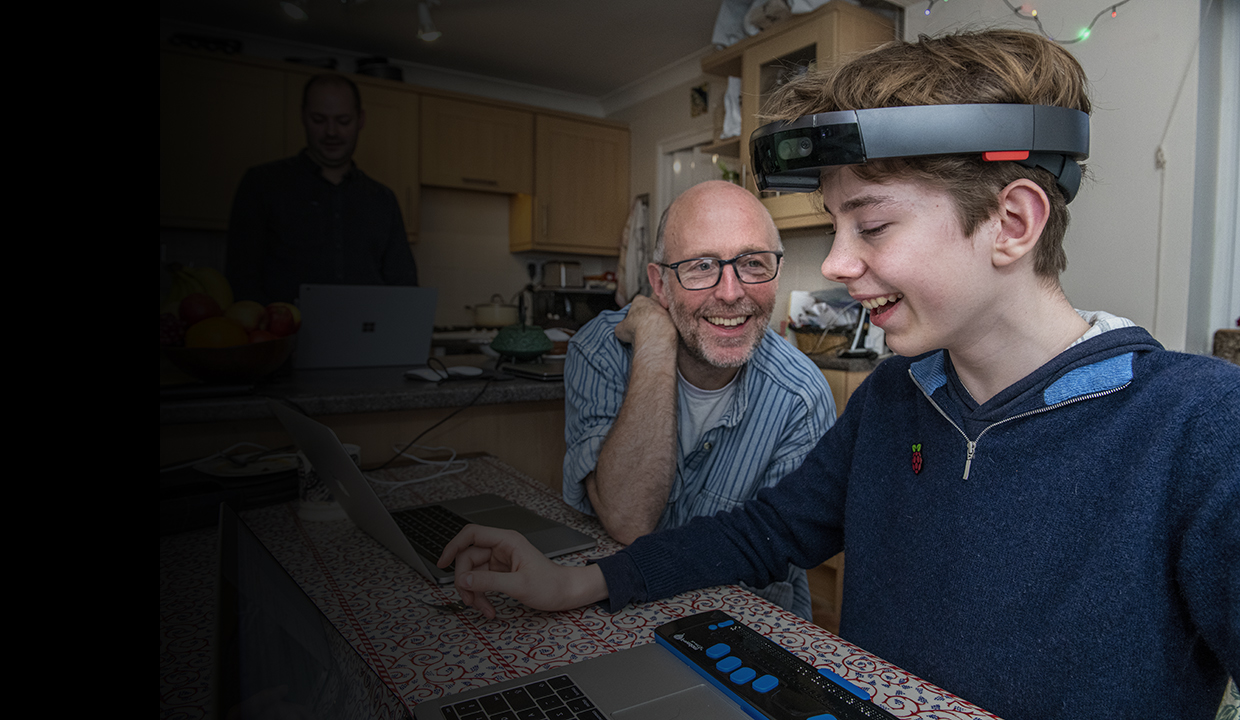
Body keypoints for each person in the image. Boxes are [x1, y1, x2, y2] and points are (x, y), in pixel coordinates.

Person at [437, 29, 1236, 720]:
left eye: (874, 224)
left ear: (1013, 222)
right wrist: (576, 583)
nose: (841, 263)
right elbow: (767, 531)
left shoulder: (1200, 427)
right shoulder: (898, 396)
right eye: (833, 226)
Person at [561, 180, 833, 621]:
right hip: (606, 612)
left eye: (753, 263)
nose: (730, 292)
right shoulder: (600, 351)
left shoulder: (801, 397)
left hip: (738, 628)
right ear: (660, 285)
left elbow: (765, 559)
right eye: (702, 266)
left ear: (776, 274)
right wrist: (653, 341)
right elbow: (627, 520)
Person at [224, 74, 417, 305]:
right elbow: (241, 279)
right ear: (303, 117)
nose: (332, 132)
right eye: (319, 120)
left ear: (361, 120)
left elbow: (404, 286)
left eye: (343, 121)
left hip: (366, 338)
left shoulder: (382, 199)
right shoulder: (262, 184)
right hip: (284, 337)